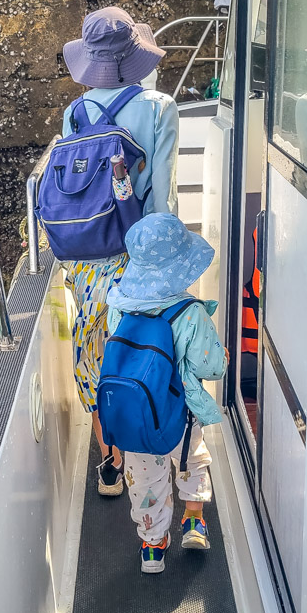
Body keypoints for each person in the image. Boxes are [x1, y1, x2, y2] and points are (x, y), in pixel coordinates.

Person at [61, 6, 179, 497]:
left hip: (88, 260)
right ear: (134, 56)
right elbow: (163, 198)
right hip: (139, 260)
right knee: (143, 352)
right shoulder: (159, 106)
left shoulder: (75, 112)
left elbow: (74, 194)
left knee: (94, 359)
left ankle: (109, 467)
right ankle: (148, 463)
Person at [106, 212, 228, 572]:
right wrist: (224, 358)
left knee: (145, 480)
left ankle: (153, 545)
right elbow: (211, 367)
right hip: (182, 413)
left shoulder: (118, 307)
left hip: (139, 417)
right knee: (192, 461)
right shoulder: (190, 312)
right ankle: (193, 521)